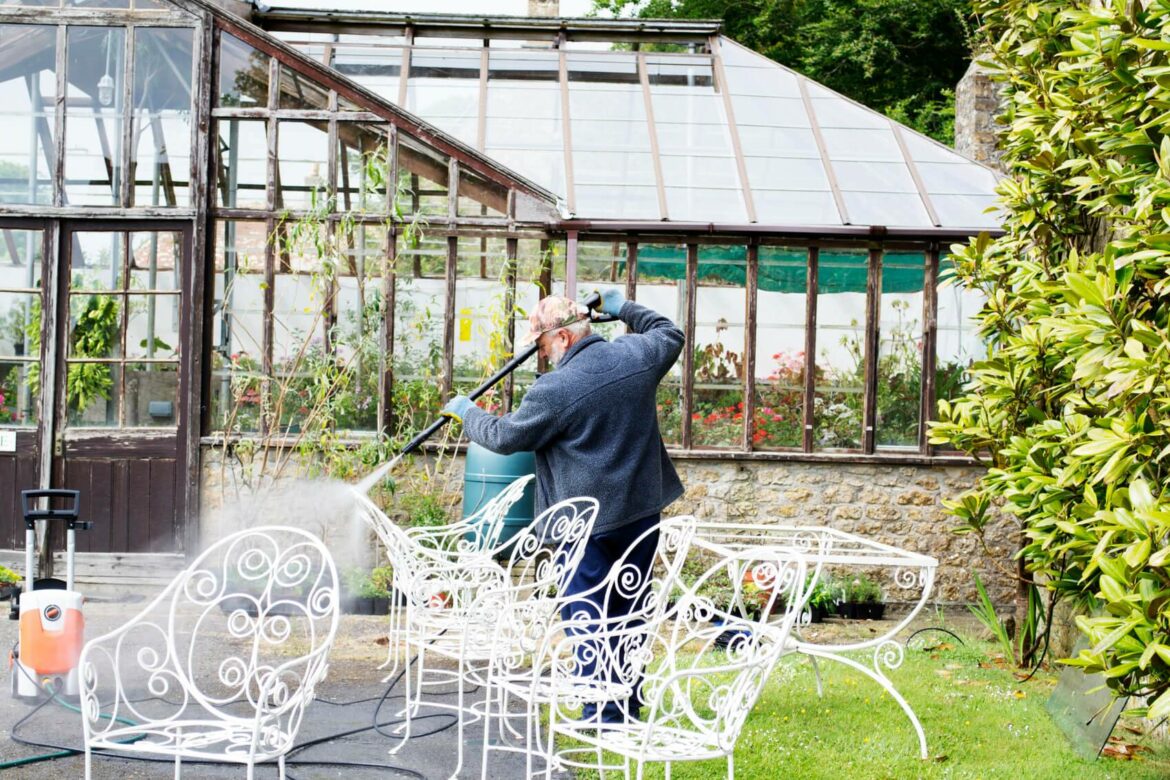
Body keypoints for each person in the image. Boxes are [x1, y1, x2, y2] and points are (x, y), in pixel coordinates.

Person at [440, 288, 684, 723]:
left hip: (584, 524)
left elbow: (505, 437)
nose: (542, 355)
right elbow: (670, 331)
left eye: (543, 344)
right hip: (640, 516)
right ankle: (625, 703)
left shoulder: (554, 390)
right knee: (630, 610)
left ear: (565, 339)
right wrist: (622, 307)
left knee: (588, 613)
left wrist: (468, 412)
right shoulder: (636, 356)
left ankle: (600, 712)